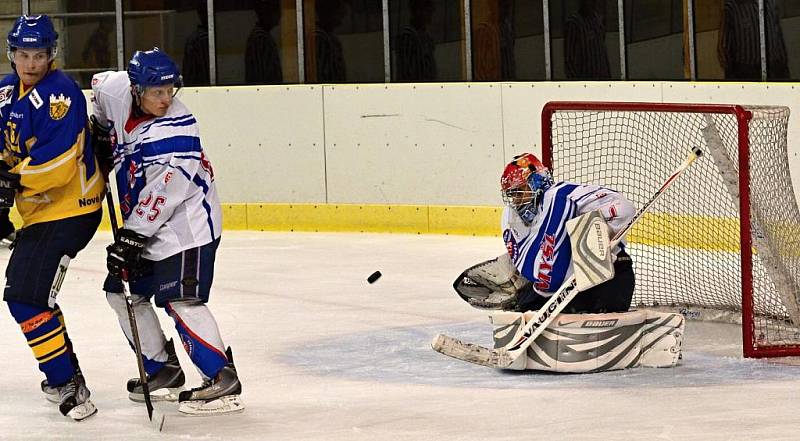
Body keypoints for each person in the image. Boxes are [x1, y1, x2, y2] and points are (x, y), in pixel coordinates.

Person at [90, 47, 243, 415]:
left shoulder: (177, 130)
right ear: (135, 88)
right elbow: (97, 90)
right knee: (122, 294)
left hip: (187, 228)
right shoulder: (113, 89)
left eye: (170, 90)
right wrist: (100, 131)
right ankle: (162, 370)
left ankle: (222, 379)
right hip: (148, 228)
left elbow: (164, 194)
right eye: (156, 92)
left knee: (181, 300)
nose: (165, 99)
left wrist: (131, 236)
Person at [0, 14, 105, 421]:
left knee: (26, 297)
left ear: (51, 55)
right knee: (29, 295)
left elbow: (58, 166)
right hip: (38, 210)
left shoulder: (60, 95)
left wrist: (9, 185)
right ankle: (63, 372)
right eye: (23, 54)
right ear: (12, 55)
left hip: (69, 210)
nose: (30, 63)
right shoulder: (8, 90)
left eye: (39, 55)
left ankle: (67, 381)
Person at [500, 153, 635, 313]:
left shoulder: (557, 196)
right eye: (512, 195)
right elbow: (537, 265)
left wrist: (600, 228)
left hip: (613, 278)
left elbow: (626, 210)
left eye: (520, 192)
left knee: (534, 300)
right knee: (529, 302)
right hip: (576, 287)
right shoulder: (522, 217)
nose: (516, 200)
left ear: (536, 182)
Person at [718, 0, 789, 80]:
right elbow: (723, 47)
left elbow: (779, 37)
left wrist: (783, 66)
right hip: (745, 71)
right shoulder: (732, 7)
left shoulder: (771, 3)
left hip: (773, 68)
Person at [564, 0, 611, 80]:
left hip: (602, 82)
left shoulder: (596, 20)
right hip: (585, 83)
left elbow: (602, 52)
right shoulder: (574, 23)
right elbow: (569, 60)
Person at [396, 0, 437, 82]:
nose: (430, 16)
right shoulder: (407, 37)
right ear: (417, 12)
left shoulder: (427, 37)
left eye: (430, 11)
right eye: (427, 11)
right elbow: (406, 72)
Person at [245, 0, 283, 84]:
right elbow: (261, 75)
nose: (280, 16)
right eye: (277, 11)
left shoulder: (261, 37)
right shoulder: (260, 39)